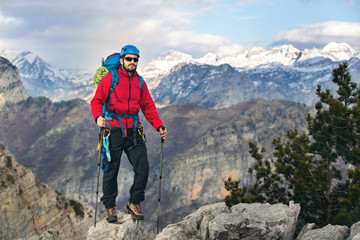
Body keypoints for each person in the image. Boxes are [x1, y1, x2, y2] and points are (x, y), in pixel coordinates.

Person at [91, 45, 167, 222]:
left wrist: (159, 125)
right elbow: (96, 101)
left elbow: (148, 106)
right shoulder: (110, 79)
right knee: (111, 170)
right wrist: (97, 118)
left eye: (136, 59)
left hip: (134, 130)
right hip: (113, 130)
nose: (133, 62)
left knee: (143, 167)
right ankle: (110, 207)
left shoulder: (139, 82)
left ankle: (134, 202)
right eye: (129, 59)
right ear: (122, 60)